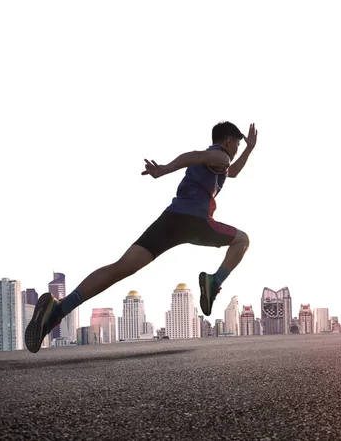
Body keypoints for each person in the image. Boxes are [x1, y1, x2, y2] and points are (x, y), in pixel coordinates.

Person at [25, 121, 257, 353]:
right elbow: (194, 156)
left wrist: (248, 149)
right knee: (242, 240)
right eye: (237, 144)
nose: (236, 148)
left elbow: (231, 171)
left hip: (170, 219)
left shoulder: (219, 163)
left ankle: (58, 310)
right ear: (228, 141)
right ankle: (214, 282)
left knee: (121, 267)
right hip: (196, 221)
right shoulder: (221, 156)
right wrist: (165, 169)